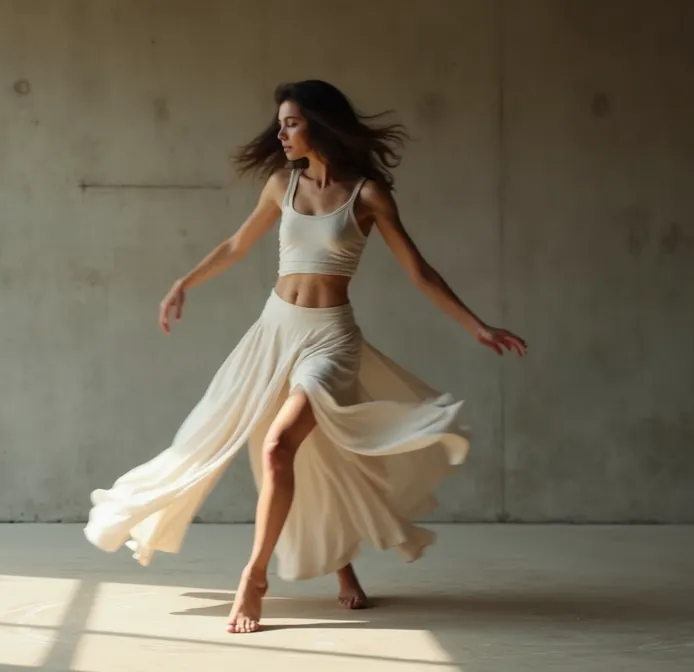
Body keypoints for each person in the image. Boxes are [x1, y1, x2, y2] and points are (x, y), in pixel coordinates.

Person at [83, 80, 527, 634]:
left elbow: (419, 271)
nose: (281, 132)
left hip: (330, 340)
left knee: (277, 449)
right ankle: (343, 569)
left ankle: (254, 578)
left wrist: (475, 325)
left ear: (319, 123)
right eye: (281, 123)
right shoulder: (280, 185)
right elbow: (236, 246)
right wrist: (183, 282)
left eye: (291, 122)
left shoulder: (367, 196)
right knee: (285, 451)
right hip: (273, 332)